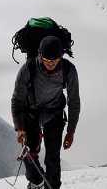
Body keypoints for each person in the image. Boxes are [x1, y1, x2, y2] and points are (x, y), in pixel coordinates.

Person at [11, 36, 80, 189]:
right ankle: (36, 181)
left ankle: (52, 187)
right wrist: (20, 128)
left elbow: (74, 101)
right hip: (31, 112)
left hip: (54, 114)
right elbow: (17, 100)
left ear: (61, 57)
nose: (50, 64)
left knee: (53, 158)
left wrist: (71, 131)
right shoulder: (28, 68)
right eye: (46, 60)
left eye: (54, 61)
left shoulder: (68, 70)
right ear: (39, 55)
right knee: (28, 152)